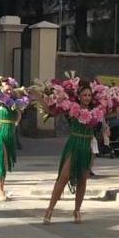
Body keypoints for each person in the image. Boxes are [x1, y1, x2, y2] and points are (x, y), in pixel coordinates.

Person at [42, 82, 109, 224]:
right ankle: (50, 209)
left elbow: (113, 114)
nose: (87, 97)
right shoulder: (71, 108)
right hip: (74, 144)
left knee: (83, 178)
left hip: (87, 146)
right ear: (78, 96)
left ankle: (77, 210)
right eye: (84, 95)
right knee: (64, 176)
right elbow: (51, 111)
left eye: (89, 95)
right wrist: (41, 98)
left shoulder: (97, 111)